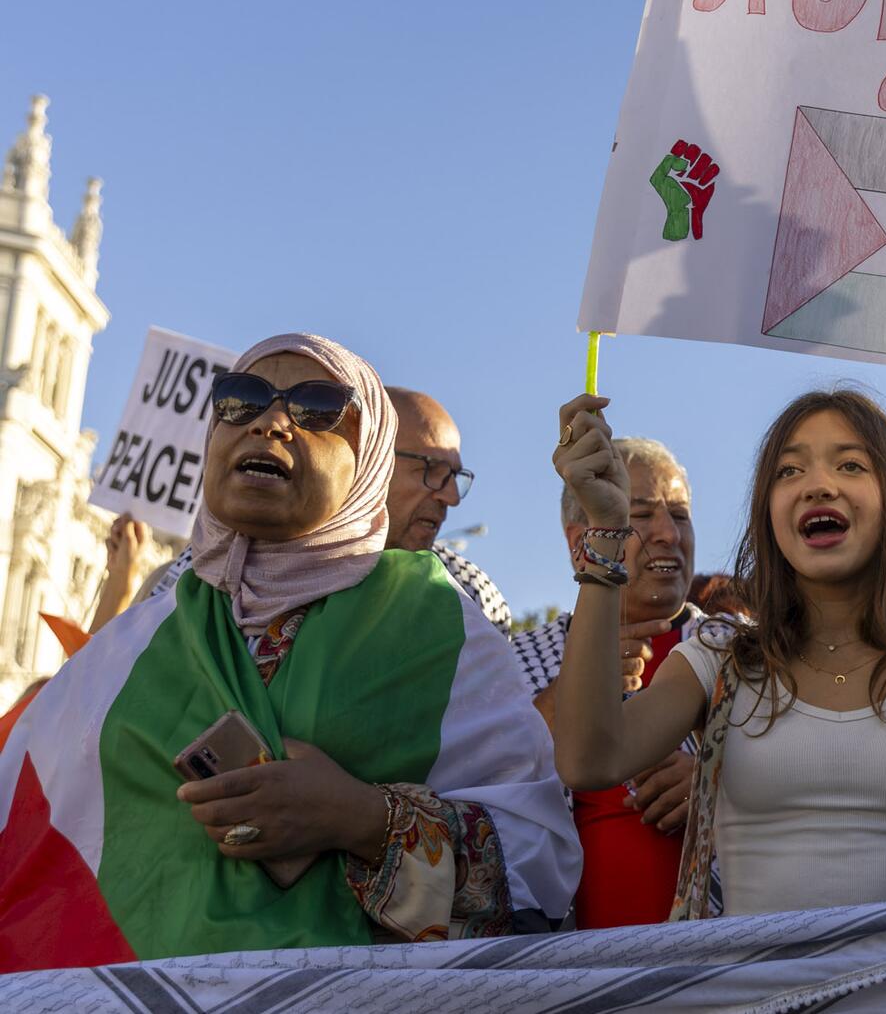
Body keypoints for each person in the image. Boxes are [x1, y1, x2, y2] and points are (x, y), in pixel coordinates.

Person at [0, 333, 576, 968]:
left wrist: (359, 818)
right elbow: (23, 833)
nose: (271, 422)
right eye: (240, 400)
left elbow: (537, 872)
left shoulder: (437, 625)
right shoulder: (130, 644)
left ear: (370, 462)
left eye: (317, 409)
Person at [548, 388, 886, 1012]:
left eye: (849, 464)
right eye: (790, 470)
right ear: (769, 512)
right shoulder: (720, 657)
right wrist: (603, 533)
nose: (817, 485)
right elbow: (589, 759)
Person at [508, 436, 705, 929]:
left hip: (719, 967)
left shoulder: (743, 654)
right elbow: (477, 794)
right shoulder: (516, 662)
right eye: (639, 515)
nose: (666, 533)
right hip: (560, 974)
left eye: (679, 515)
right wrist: (568, 699)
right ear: (581, 543)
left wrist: (716, 783)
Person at [133, 386, 513, 633]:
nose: (450, 497)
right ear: (371, 462)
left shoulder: (468, 598)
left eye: (456, 476)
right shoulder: (202, 577)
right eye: (432, 471)